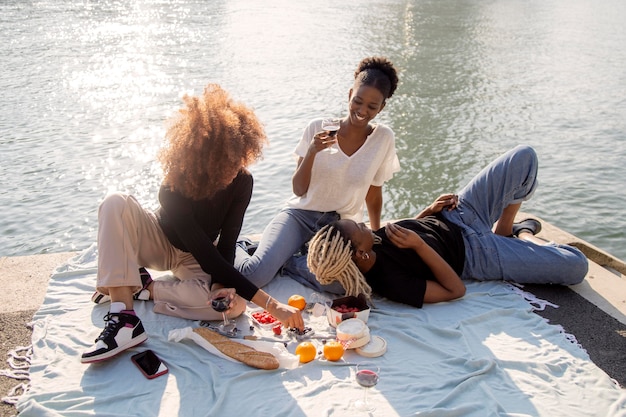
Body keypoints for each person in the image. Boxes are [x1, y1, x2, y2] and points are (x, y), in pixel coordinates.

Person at [82, 84, 304, 364]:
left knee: (233, 308)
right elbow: (207, 254)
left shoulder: (242, 181)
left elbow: (225, 245)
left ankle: (142, 288)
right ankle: (124, 317)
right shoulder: (173, 187)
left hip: (197, 257)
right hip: (159, 243)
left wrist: (219, 286)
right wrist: (273, 306)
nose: (233, 168)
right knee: (115, 202)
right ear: (200, 156)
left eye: (237, 158)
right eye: (225, 160)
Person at [306, 145, 589, 307]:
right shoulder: (390, 281)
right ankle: (523, 234)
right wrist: (419, 245)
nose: (365, 225)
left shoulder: (371, 242)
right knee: (576, 266)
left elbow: (411, 232)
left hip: (460, 213)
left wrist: (429, 211)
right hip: (476, 254)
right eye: (360, 229)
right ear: (359, 254)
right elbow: (455, 290)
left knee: (524, 158)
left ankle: (506, 231)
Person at [234, 56, 401, 290]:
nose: (362, 111)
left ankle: (288, 262)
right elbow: (298, 189)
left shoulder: (383, 138)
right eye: (358, 101)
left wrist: (376, 235)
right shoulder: (318, 128)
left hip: (341, 228)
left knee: (345, 285)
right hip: (300, 216)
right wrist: (312, 151)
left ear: (381, 107)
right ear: (349, 94)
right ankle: (238, 246)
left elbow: (373, 192)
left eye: (372, 107)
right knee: (254, 277)